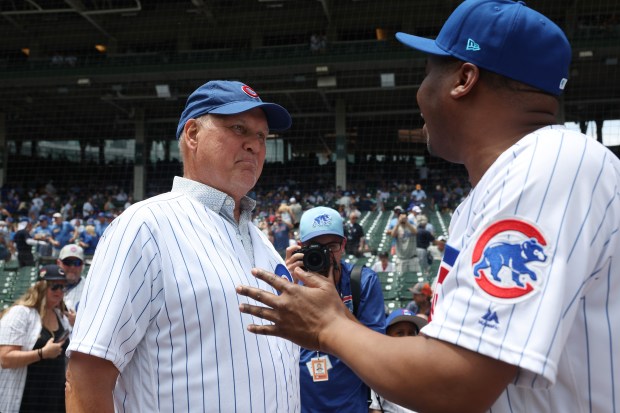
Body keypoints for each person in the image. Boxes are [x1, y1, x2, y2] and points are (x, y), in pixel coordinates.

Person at [236, 1, 620, 412]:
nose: (420, 92)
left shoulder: (551, 163)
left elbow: (457, 385)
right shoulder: (500, 187)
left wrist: (327, 326)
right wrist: (334, 317)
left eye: (427, 73)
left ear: (464, 79)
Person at [65, 80, 300, 413]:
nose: (254, 146)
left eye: (262, 136)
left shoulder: (264, 242)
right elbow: (86, 377)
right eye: (238, 128)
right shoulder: (145, 226)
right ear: (192, 134)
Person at [286, 206, 385, 413]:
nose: (324, 254)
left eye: (331, 246)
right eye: (314, 246)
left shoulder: (362, 281)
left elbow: (378, 346)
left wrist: (335, 306)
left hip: (350, 405)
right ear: (301, 247)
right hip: (301, 404)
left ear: (343, 246)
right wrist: (286, 284)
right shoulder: (290, 283)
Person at [0, 264, 70, 413]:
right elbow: (5, 359)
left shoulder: (61, 317)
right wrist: (42, 353)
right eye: (55, 286)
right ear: (41, 287)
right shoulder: (20, 313)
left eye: (63, 287)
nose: (59, 291)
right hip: (26, 397)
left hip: (53, 398)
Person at [369, 309, 427, 413]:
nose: (406, 338)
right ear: (387, 336)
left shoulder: (427, 368)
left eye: (411, 333)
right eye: (400, 333)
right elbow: (375, 410)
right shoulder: (380, 370)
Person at [57, 244, 85, 317]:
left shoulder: (90, 290)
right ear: (58, 263)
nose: (72, 267)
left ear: (82, 265)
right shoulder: (47, 288)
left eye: (77, 263)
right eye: (68, 262)